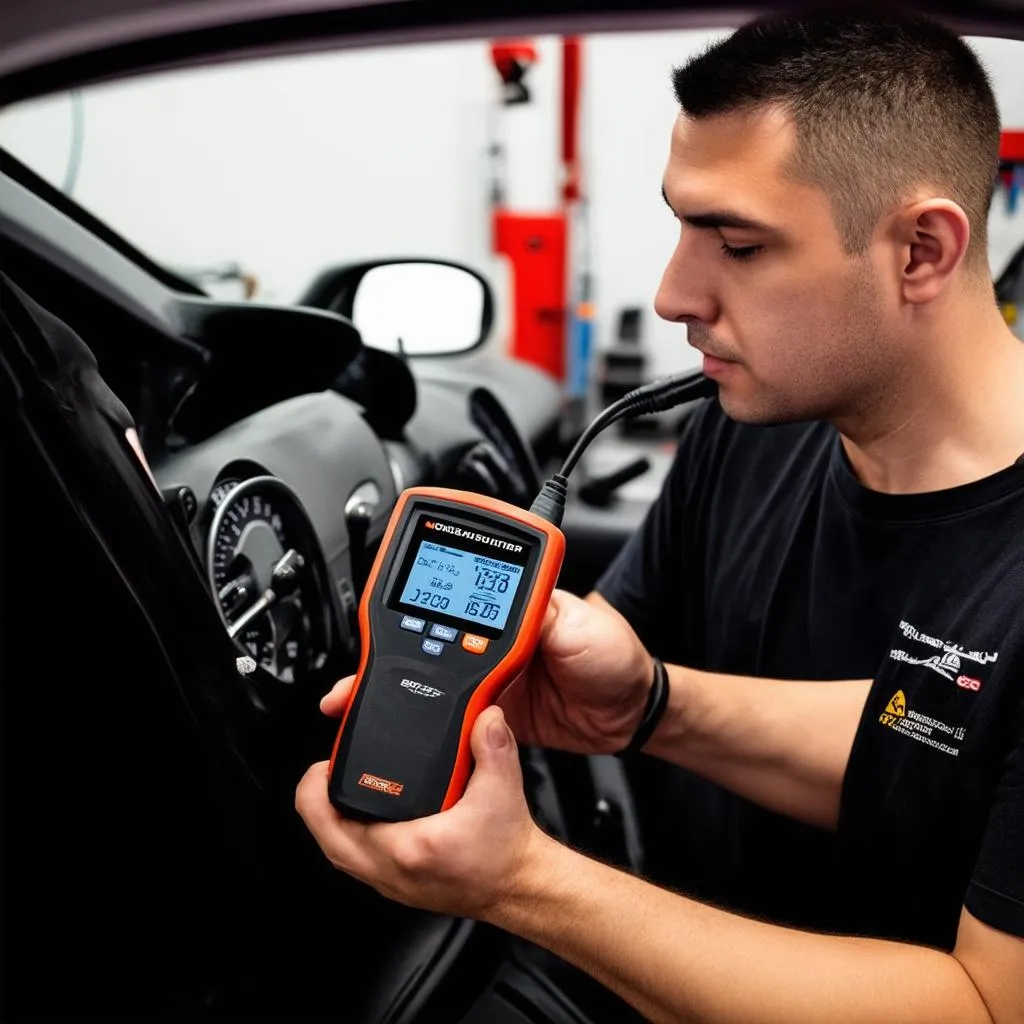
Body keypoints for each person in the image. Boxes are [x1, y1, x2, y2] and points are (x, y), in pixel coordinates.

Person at [297, 11, 1024, 1021]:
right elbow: (936, 737)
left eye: (734, 241)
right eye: (683, 224)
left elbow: (985, 1009)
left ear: (919, 251)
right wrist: (646, 705)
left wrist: (521, 881)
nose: (675, 292)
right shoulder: (752, 422)